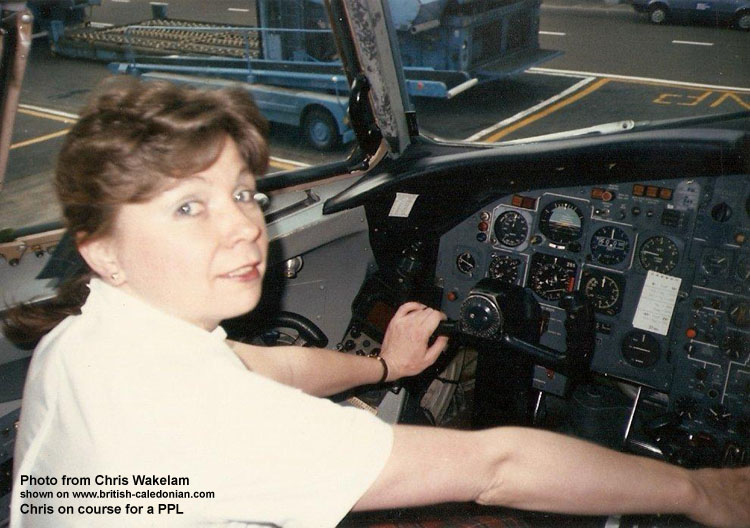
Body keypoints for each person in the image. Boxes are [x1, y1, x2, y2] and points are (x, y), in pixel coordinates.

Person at [3, 76, 748, 528]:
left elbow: (268, 367)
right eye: (188, 208)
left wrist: (385, 368)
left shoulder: (85, 339)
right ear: (101, 250)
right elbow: (496, 466)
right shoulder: (214, 423)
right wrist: (698, 491)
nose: (243, 226)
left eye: (242, 193)